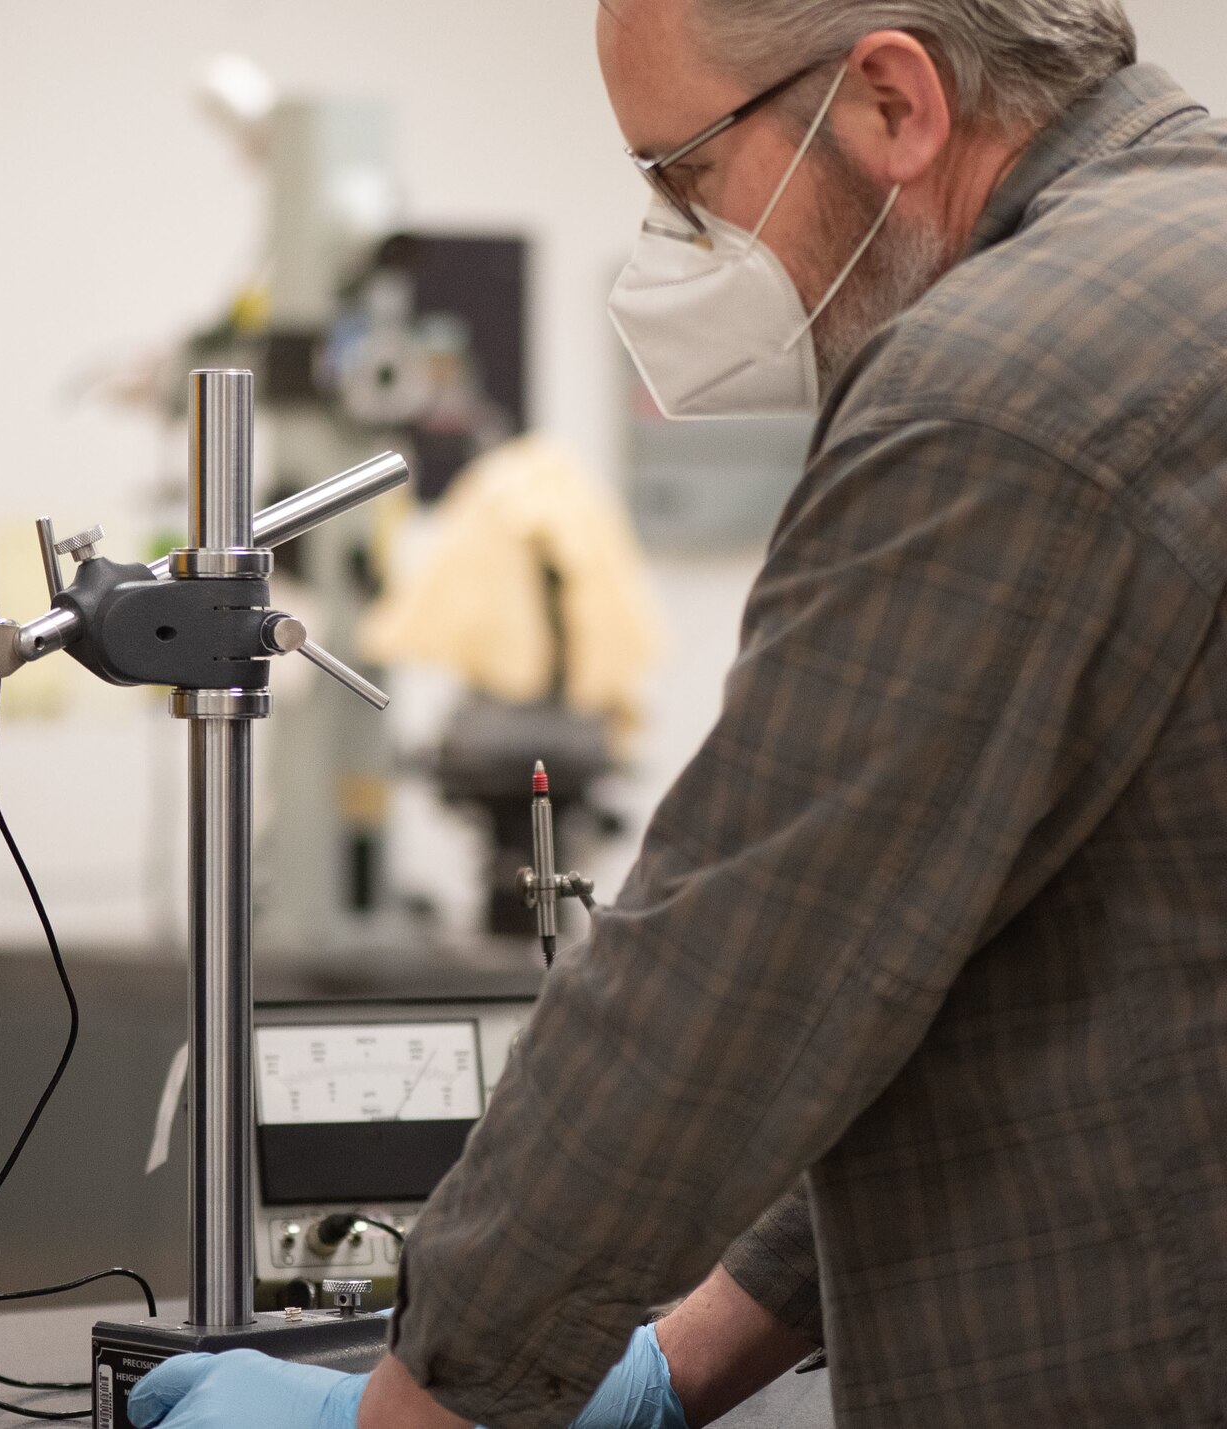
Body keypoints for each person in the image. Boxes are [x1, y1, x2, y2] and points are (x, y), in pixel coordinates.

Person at [130, 0, 1227, 1425]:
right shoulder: (1182, 268)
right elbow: (965, 966)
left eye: (685, 177)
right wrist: (679, 1358)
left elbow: (734, 972)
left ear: (894, 103)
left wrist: (423, 1397)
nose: (673, 243)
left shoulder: (993, 393)